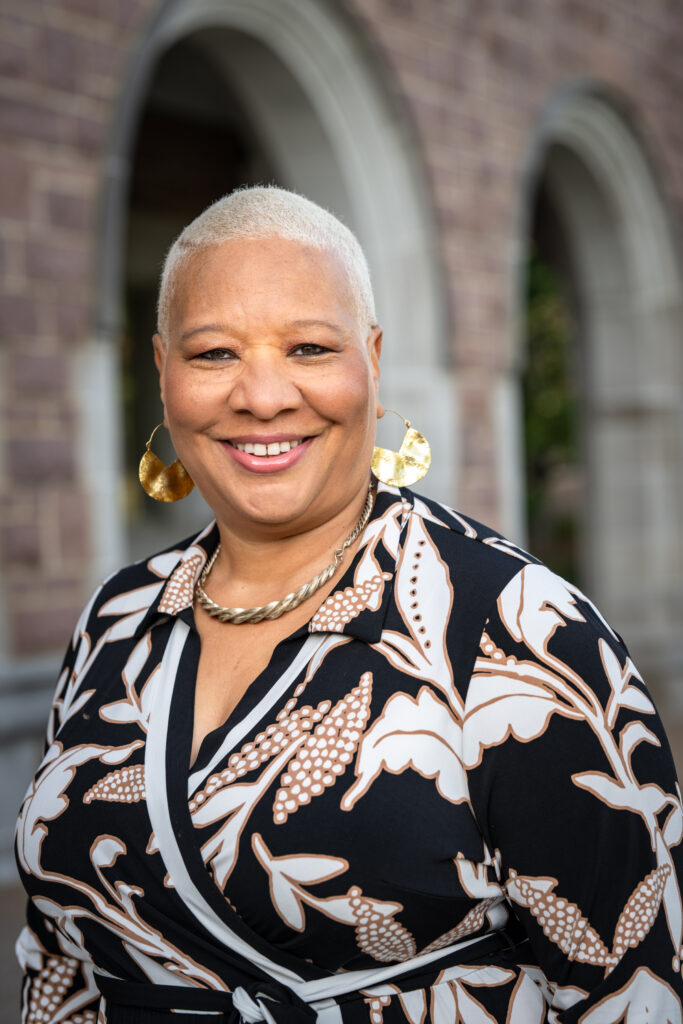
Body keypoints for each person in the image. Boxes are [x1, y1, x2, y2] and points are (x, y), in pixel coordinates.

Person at [15, 186, 683, 1024]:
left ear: (371, 358)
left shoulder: (517, 631)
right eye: (214, 353)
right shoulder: (115, 620)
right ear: (162, 373)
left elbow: (632, 990)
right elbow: (57, 955)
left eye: (308, 348)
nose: (261, 396)